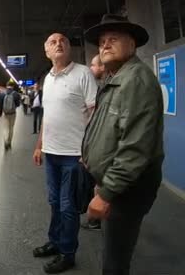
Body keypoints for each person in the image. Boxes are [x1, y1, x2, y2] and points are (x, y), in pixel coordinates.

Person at [82, 14, 164, 274]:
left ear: (132, 45)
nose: (104, 45)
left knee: (115, 262)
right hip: (116, 184)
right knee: (113, 251)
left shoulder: (135, 80)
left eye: (113, 39)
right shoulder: (115, 79)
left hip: (128, 190)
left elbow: (135, 148)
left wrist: (107, 192)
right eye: (102, 41)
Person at [32, 33, 97, 274]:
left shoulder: (83, 74)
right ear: (46, 51)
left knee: (68, 206)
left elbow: (95, 114)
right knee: (54, 202)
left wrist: (87, 151)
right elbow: (47, 116)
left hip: (74, 155)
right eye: (52, 42)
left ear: (70, 49)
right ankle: (55, 241)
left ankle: (67, 253)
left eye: (63, 41)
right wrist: (39, 145)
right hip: (51, 152)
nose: (58, 44)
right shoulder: (47, 78)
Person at [80, 53, 106, 231]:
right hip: (99, 147)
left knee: (99, 184)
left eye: (94, 65)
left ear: (103, 67)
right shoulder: (103, 87)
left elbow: (97, 121)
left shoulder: (102, 88)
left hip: (102, 148)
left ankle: (96, 220)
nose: (90, 68)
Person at [0, 80, 20, 150]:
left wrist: (0, 113)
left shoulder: (2, 94)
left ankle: (5, 141)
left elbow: (0, 104)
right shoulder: (16, 94)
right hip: (13, 114)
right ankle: (9, 143)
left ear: (6, 86)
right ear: (13, 86)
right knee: (11, 128)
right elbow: (18, 104)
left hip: (6, 114)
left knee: (6, 128)